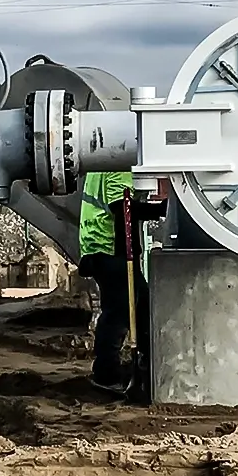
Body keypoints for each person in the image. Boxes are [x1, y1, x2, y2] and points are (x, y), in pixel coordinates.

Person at [78, 169, 155, 399]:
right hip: (109, 246)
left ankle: (142, 367)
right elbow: (121, 208)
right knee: (120, 310)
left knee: (141, 306)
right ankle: (106, 374)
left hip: (99, 245)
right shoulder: (118, 164)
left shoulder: (101, 161)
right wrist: (161, 210)